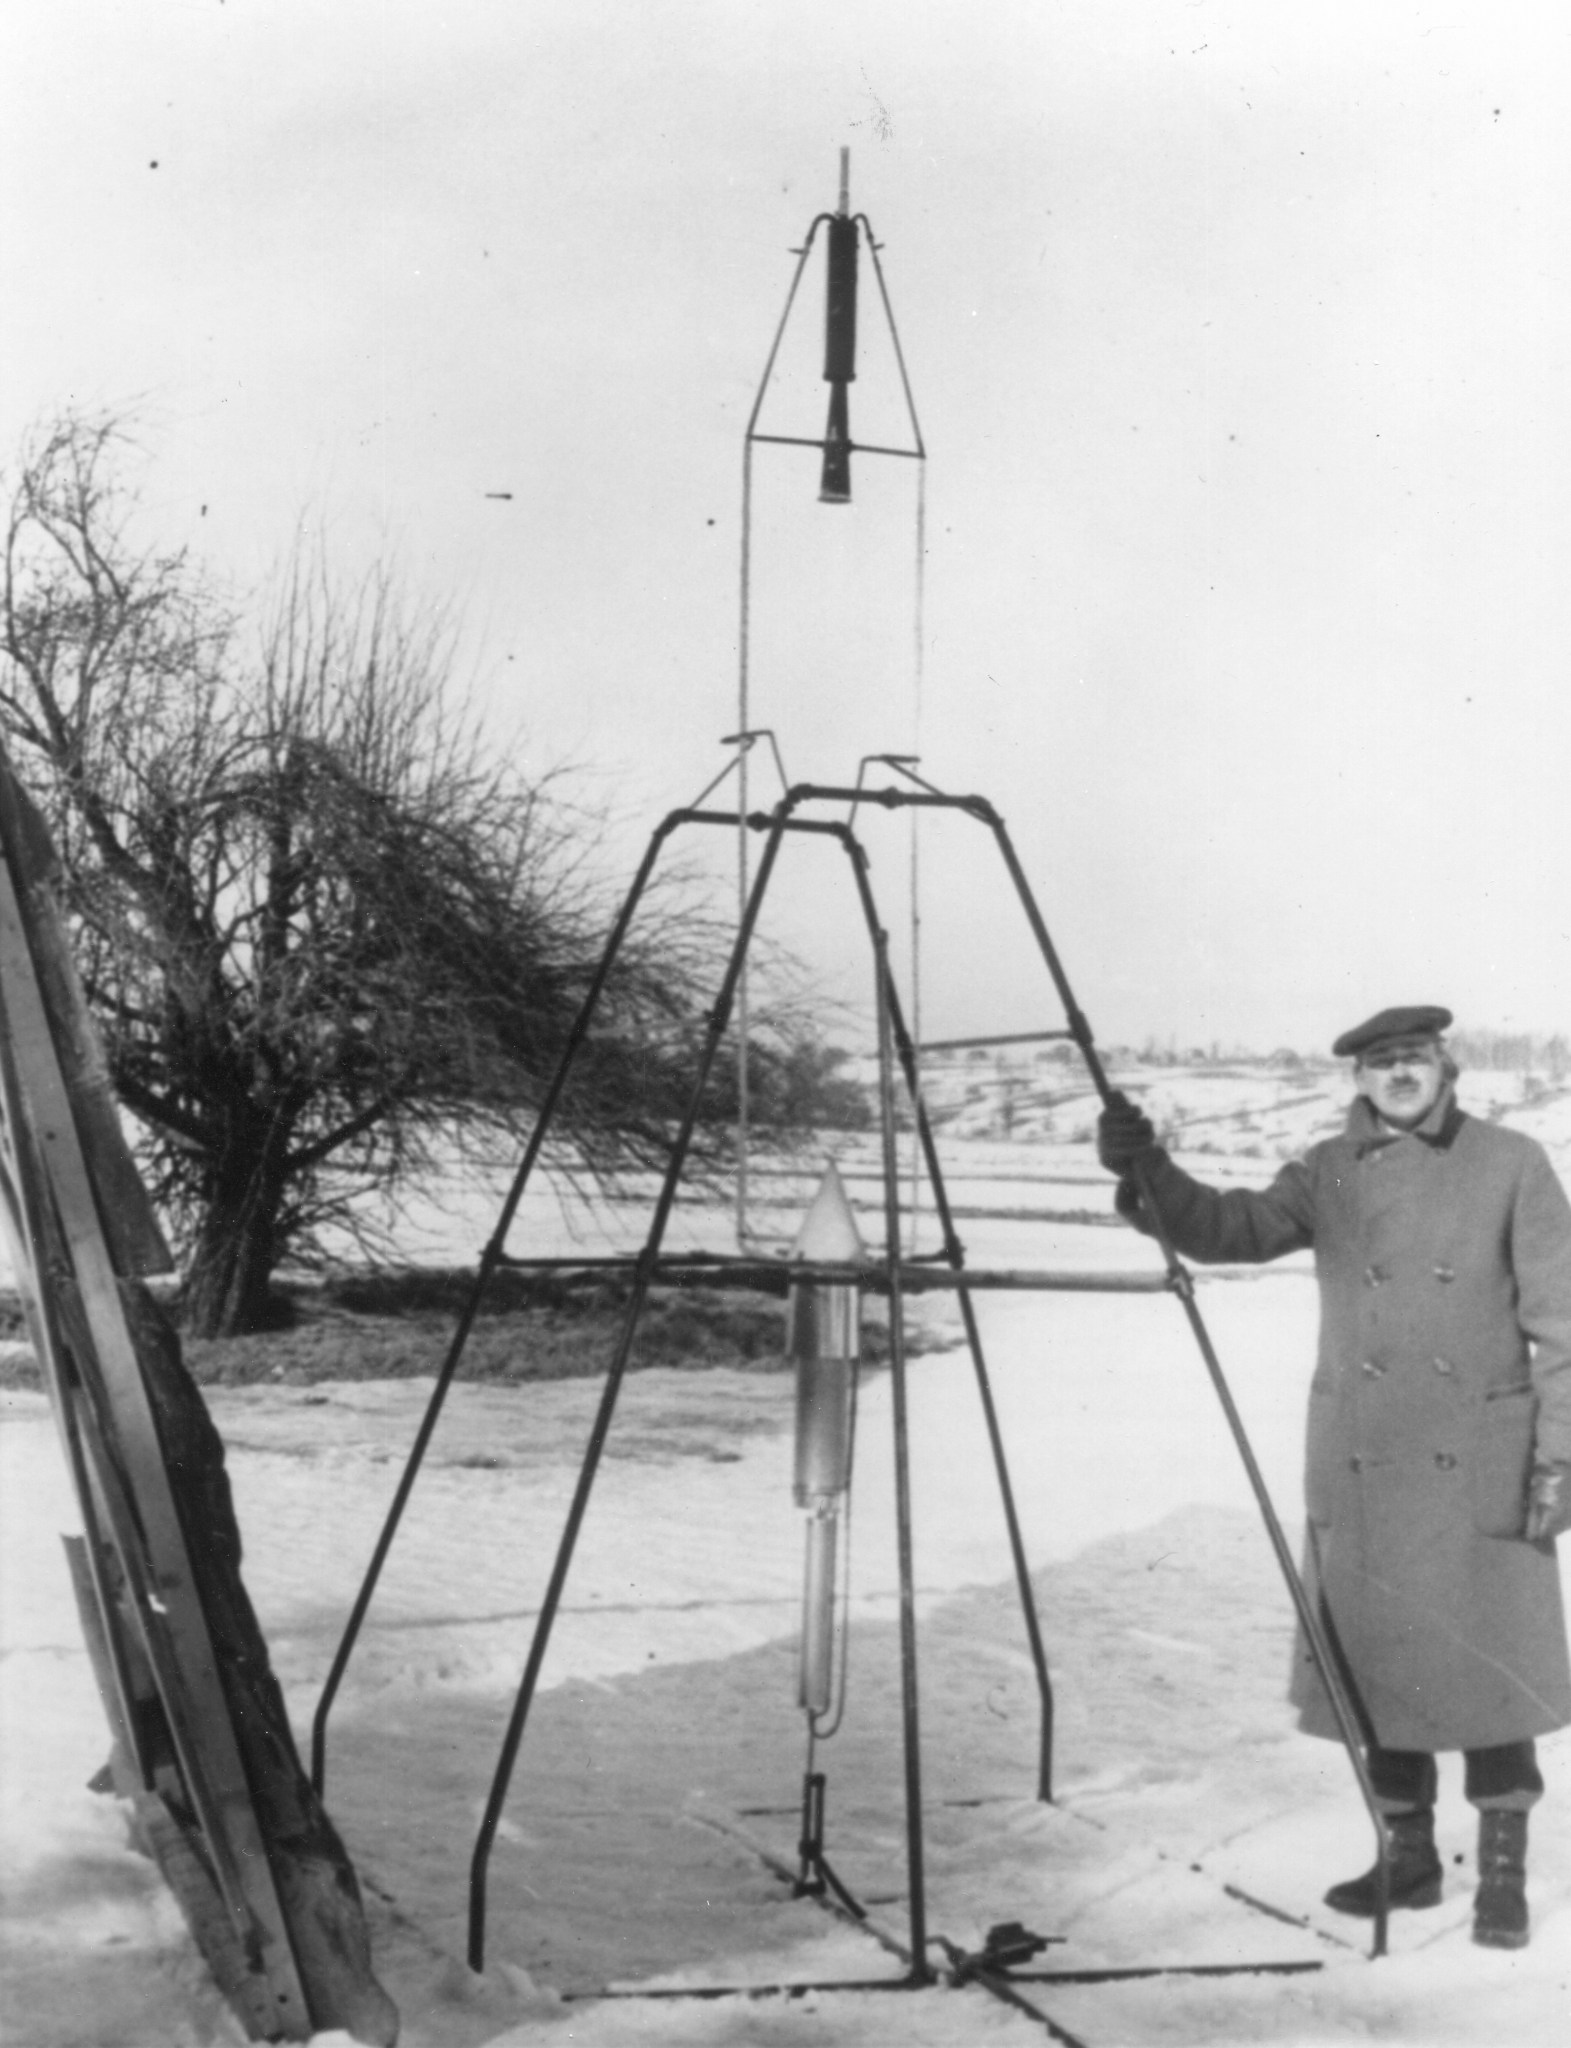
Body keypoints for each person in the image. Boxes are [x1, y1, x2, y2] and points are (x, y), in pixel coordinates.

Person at [1096, 1006, 1571, 1950]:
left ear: (1447, 1068)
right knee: (1377, 1658)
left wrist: (1558, 1457)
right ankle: (1407, 1857)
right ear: (1357, 1079)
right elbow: (1227, 1228)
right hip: (1362, 1460)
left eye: (1415, 1059)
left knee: (1487, 1669)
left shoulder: (1512, 1161)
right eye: (1381, 1062)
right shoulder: (1328, 1169)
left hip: (1477, 1454)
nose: (1399, 1075)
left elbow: (1565, 1321)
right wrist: (1142, 1169)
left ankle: (1503, 1876)